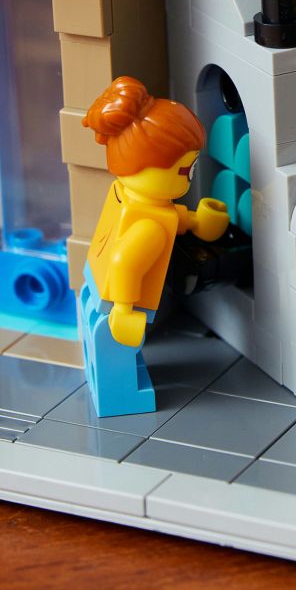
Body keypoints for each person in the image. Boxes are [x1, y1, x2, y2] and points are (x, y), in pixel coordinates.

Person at [78, 76, 229, 416]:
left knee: (103, 346)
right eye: (186, 169)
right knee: (115, 353)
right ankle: (124, 396)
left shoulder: (125, 193)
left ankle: (111, 381)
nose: (189, 175)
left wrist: (199, 222)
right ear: (148, 166)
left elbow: (167, 215)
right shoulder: (150, 228)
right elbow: (125, 262)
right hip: (118, 305)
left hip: (94, 282)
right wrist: (124, 310)